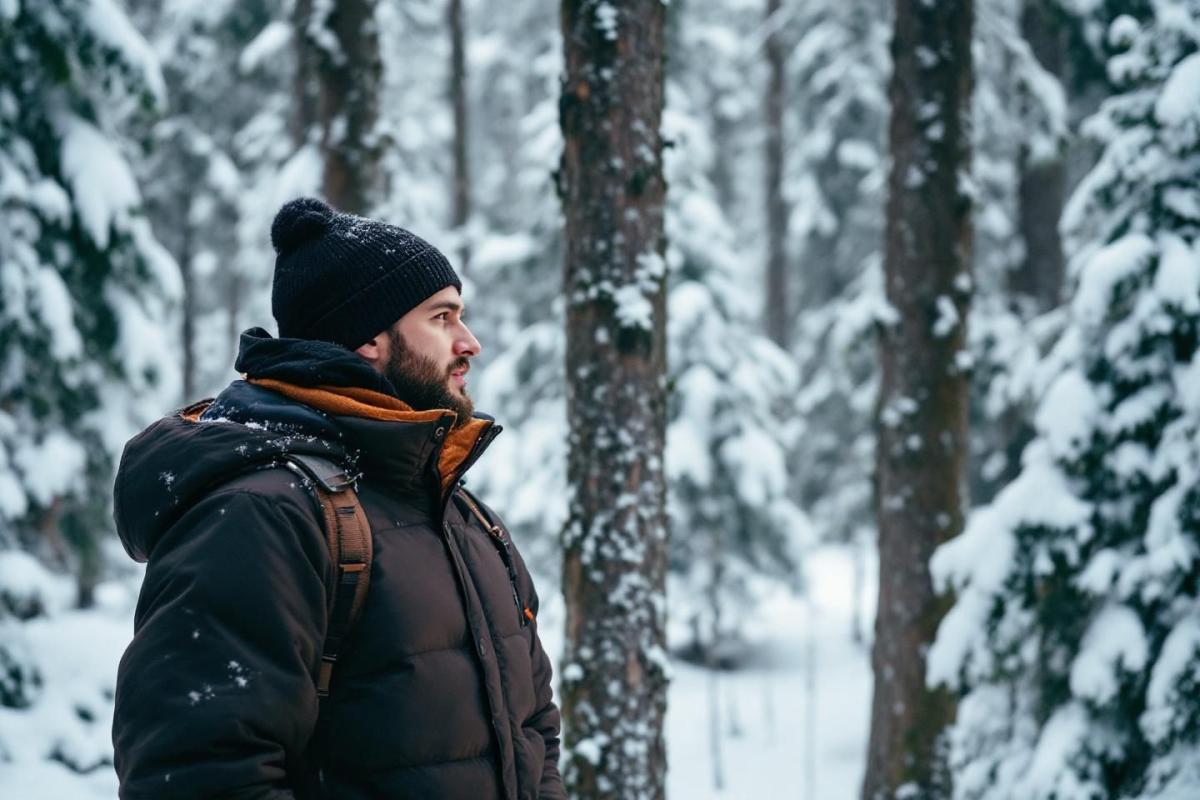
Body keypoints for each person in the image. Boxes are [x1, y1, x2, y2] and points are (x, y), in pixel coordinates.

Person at [111, 197, 565, 799]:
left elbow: (536, 734)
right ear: (370, 338)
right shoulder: (264, 514)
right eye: (442, 317)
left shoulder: (463, 516)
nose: (470, 341)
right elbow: (199, 773)